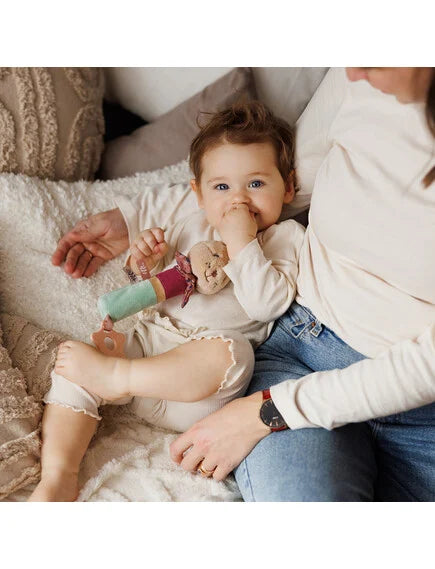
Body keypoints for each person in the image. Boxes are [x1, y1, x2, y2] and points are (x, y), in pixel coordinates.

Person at [168, 67, 435, 501]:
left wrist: (265, 413)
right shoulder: (360, 78)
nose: (353, 69)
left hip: (421, 409)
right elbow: (260, 178)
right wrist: (135, 215)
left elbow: (425, 367)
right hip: (304, 348)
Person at [29, 101, 306, 501]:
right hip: (149, 351)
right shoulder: (192, 224)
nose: (238, 201)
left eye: (256, 184)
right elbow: (152, 288)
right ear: (199, 193)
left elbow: (268, 305)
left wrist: (242, 241)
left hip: (197, 391)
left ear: (289, 187)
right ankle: (58, 475)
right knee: (75, 360)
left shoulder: (287, 240)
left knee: (235, 354)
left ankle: (117, 378)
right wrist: (142, 262)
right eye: (222, 187)